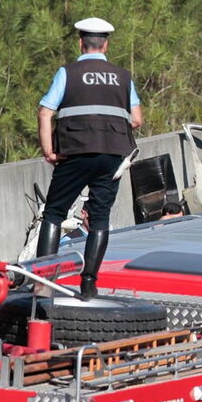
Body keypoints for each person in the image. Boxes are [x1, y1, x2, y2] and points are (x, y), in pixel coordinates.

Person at [36, 17, 142, 298]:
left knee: (54, 213)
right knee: (99, 219)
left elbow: (45, 112)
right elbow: (137, 119)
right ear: (106, 44)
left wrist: (49, 151)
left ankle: (43, 282)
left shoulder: (67, 73)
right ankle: (89, 284)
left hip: (74, 152)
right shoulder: (123, 76)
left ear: (80, 42)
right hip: (112, 154)